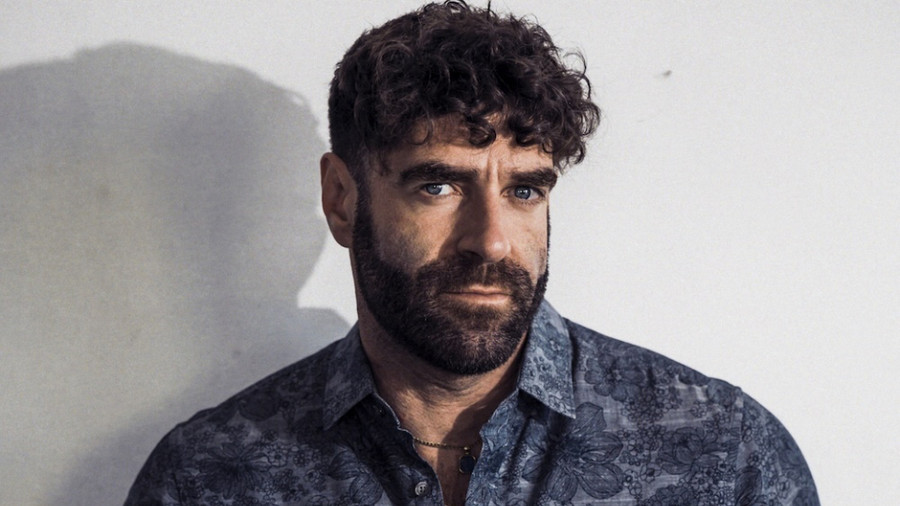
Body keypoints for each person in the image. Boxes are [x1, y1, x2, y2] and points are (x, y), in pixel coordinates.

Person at [126, 2, 818, 504]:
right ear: (341, 199)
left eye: (524, 190)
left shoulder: (726, 456)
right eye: (438, 186)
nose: (490, 239)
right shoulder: (211, 477)